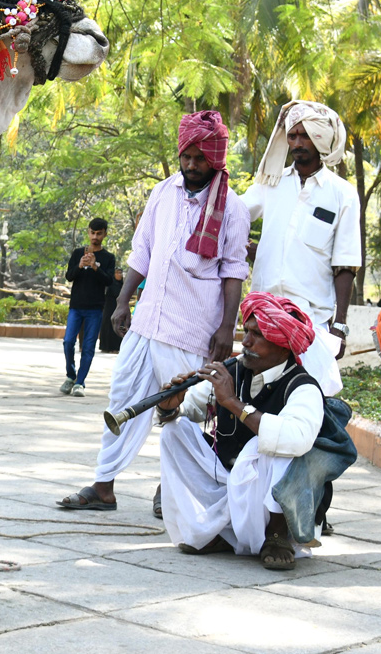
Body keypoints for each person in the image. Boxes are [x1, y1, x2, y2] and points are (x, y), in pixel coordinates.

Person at [57, 110, 249, 511]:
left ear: (215, 158)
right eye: (186, 157)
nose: (192, 165)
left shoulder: (232, 209)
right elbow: (142, 250)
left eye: (200, 158)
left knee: (184, 413)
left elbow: (233, 272)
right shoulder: (163, 192)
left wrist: (227, 329)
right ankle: (103, 485)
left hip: (192, 328)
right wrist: (124, 300)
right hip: (147, 322)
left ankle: (173, 491)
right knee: (121, 399)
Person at [156, 293, 326, 570]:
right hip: (231, 476)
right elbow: (189, 408)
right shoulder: (233, 371)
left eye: (257, 335)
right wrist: (169, 406)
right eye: (246, 332)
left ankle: (277, 534)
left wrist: (233, 404)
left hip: (277, 492)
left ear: (283, 348)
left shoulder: (303, 387)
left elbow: (297, 440)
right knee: (174, 432)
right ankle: (222, 532)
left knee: (270, 444)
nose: (245, 342)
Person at [243, 100, 362, 396]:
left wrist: (340, 327)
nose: (297, 143)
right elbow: (236, 214)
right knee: (256, 399)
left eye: (305, 135)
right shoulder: (271, 183)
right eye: (292, 136)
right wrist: (248, 248)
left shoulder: (342, 194)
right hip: (263, 314)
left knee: (308, 400)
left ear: (321, 138)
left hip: (310, 321)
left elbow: (345, 265)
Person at [59, 217, 116, 396]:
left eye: (99, 234)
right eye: (92, 233)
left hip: (95, 309)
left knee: (89, 347)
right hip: (76, 306)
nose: (95, 237)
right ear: (88, 232)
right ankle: (70, 376)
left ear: (105, 234)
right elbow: (69, 276)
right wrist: (80, 265)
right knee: (68, 342)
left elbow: (109, 281)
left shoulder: (108, 258)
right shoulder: (78, 253)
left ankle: (80, 383)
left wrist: (94, 267)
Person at [99, 267, 125, 353]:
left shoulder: (122, 285)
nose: (119, 275)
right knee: (108, 326)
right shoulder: (111, 284)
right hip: (109, 308)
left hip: (118, 309)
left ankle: (116, 347)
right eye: (117, 273)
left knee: (118, 326)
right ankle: (107, 347)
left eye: (120, 273)